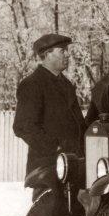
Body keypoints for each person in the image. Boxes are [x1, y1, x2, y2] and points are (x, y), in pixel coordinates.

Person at [12, 33, 87, 178]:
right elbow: (23, 127)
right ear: (47, 55)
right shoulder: (33, 84)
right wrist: (55, 147)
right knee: (52, 201)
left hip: (72, 164)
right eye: (62, 51)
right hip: (48, 169)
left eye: (67, 50)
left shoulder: (66, 84)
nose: (67, 55)